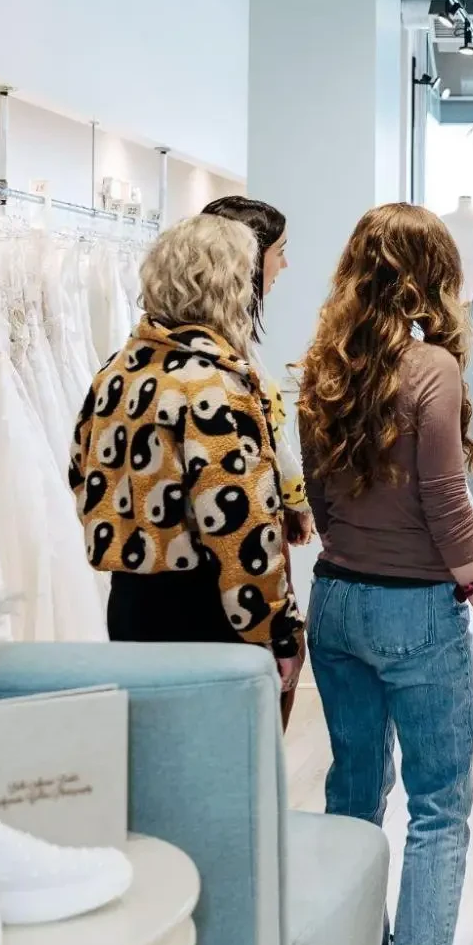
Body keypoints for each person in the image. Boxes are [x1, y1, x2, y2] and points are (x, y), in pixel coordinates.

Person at [296, 203, 473, 945]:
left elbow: (320, 499)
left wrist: (358, 549)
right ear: (431, 275)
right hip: (414, 612)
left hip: (334, 599)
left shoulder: (321, 365)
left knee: (353, 793)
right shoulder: (432, 366)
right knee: (439, 805)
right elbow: (445, 501)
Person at [69, 214, 304, 690]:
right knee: (212, 756)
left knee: (151, 752)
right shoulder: (213, 384)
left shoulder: (117, 372)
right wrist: (279, 631)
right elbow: (241, 528)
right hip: (205, 611)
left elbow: (82, 473)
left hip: (130, 600)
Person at [200, 195, 316, 550]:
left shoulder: (226, 336)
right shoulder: (218, 347)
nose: (285, 264)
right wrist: (298, 499)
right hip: (238, 535)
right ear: (247, 257)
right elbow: (266, 433)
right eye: (279, 252)